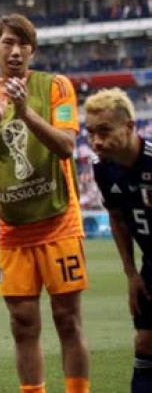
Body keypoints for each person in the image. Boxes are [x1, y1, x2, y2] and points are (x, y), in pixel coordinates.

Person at [0, 14, 89, 393]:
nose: (15, 52)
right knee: (23, 324)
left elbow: (66, 147)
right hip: (13, 231)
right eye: (7, 43)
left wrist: (24, 112)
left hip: (59, 221)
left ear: (32, 50)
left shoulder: (55, 87)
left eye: (23, 44)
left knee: (67, 319)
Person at [84, 88, 152, 391]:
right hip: (150, 266)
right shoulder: (103, 169)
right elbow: (117, 217)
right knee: (145, 342)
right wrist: (131, 274)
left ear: (130, 127)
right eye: (90, 132)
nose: (97, 141)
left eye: (105, 131)